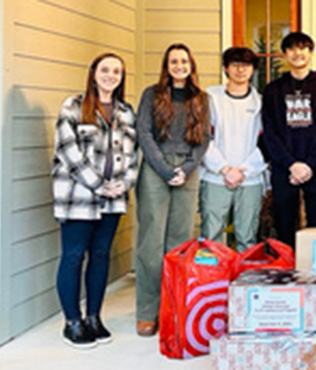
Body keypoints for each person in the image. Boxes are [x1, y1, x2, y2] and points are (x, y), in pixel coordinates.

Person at [51, 53, 137, 348]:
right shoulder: (73, 106)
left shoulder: (126, 111)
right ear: (93, 73)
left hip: (113, 199)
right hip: (79, 197)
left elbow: (133, 155)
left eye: (116, 71)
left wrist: (124, 184)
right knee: (74, 256)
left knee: (101, 255)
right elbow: (67, 151)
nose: (110, 75)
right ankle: (72, 322)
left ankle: (94, 318)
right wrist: (100, 185)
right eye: (105, 69)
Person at [134, 43, 211, 336]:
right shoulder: (152, 95)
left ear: (191, 64)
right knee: (151, 242)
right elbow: (144, 133)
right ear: (166, 66)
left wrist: (187, 168)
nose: (179, 65)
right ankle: (147, 311)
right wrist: (165, 169)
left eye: (183, 61)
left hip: (188, 170)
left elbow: (203, 138)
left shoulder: (201, 98)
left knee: (179, 243)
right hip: (156, 168)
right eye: (173, 61)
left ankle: (174, 307)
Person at [262, 32, 316, 247]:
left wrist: (309, 164)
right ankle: (287, 271)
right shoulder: (273, 90)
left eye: (303, 48)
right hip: (283, 167)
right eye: (292, 49)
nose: (298, 53)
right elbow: (270, 132)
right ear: (285, 54)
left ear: (310, 52)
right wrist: (291, 164)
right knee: (284, 224)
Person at [200, 47, 269, 252]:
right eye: (235, 65)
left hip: (250, 177)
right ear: (225, 68)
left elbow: (266, 141)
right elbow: (203, 137)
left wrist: (244, 170)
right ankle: (212, 281)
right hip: (215, 176)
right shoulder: (211, 97)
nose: (241, 70)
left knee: (247, 237)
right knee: (211, 236)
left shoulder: (260, 102)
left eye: (246, 65)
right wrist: (224, 169)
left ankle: (243, 281)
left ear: (253, 69)